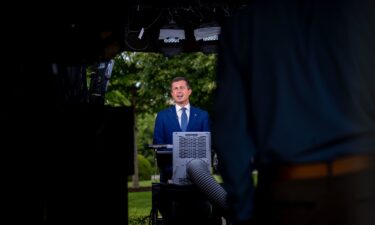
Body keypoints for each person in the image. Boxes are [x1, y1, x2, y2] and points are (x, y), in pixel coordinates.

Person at [213, 0, 375, 225]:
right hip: (365, 191)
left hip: (289, 198)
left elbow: (230, 135)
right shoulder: (365, 12)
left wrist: (244, 212)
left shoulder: (244, 26)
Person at [153, 76, 210, 183]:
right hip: (169, 175)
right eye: (175, 88)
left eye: (182, 88)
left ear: (189, 91)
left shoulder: (203, 116)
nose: (178, 91)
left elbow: (207, 145)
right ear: (172, 94)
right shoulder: (162, 116)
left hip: (198, 176)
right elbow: (158, 145)